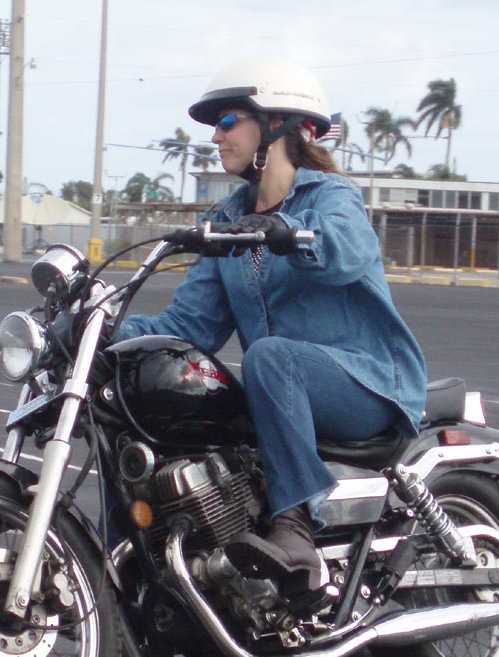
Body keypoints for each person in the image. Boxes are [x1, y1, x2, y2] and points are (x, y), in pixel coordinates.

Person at [116, 58, 428, 598]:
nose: (216, 136)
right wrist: (105, 329)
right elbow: (188, 326)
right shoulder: (227, 220)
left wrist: (287, 231)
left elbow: (346, 251)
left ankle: (296, 527)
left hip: (369, 384)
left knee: (268, 356)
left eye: (228, 120)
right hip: (285, 390)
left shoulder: (331, 197)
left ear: (276, 124)